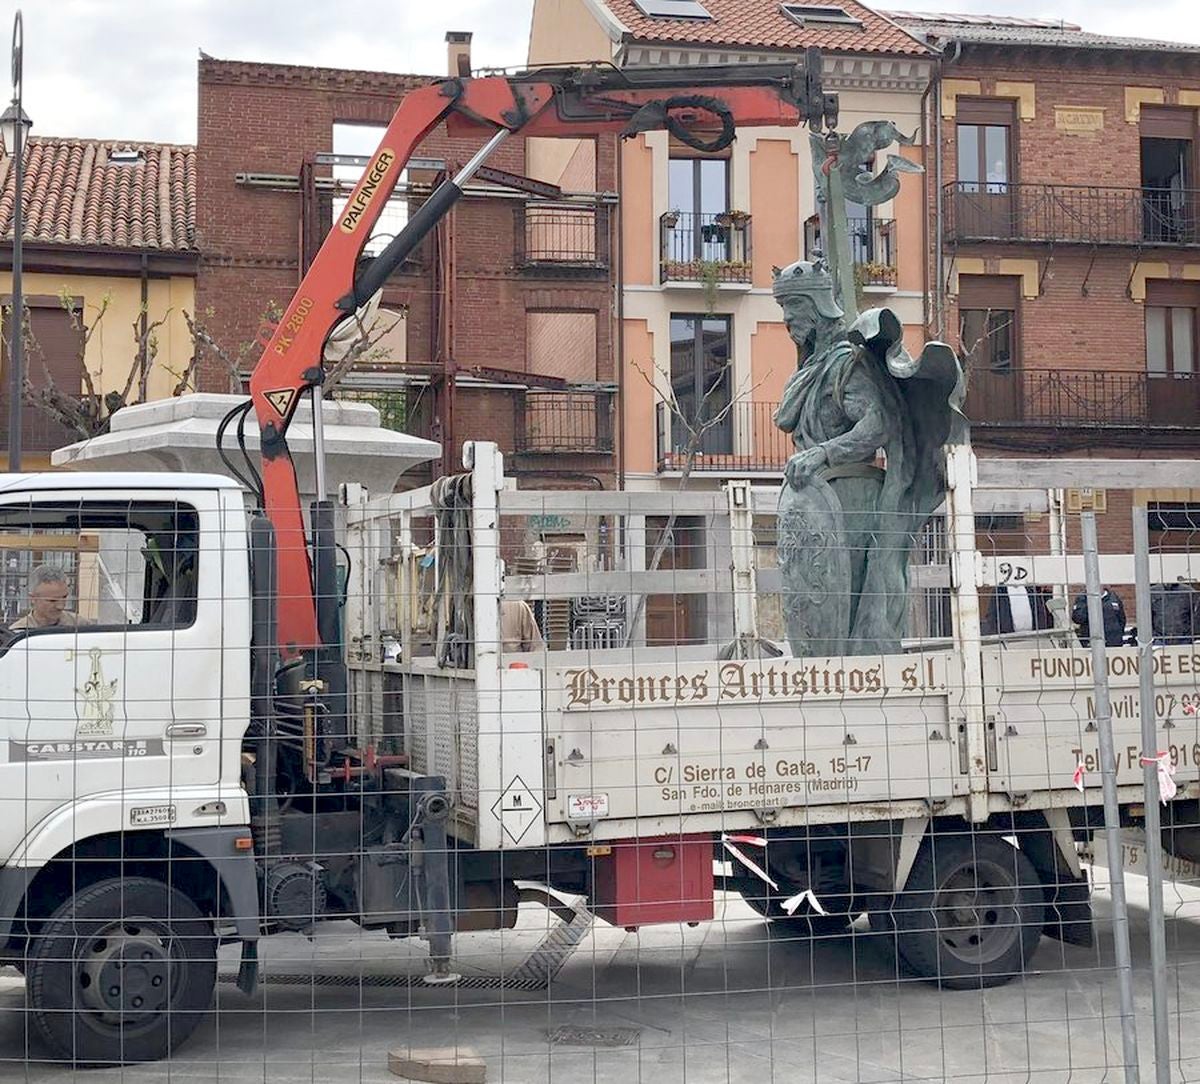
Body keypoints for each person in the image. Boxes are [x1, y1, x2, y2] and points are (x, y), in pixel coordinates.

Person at [9, 565, 87, 631]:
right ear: (33, 598)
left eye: (64, 597)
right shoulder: (19, 631)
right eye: (52, 600)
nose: (61, 606)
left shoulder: (82, 626)